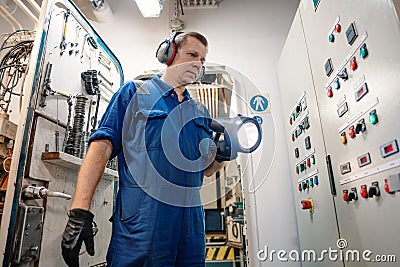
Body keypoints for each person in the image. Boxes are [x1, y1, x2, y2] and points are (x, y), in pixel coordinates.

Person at [61, 31, 228, 267]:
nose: (197, 64)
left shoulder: (199, 112)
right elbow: (101, 147)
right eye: (192, 54)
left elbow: (207, 169)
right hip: (144, 225)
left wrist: (222, 153)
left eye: (202, 60)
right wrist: (80, 210)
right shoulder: (134, 93)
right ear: (168, 54)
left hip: (191, 231)